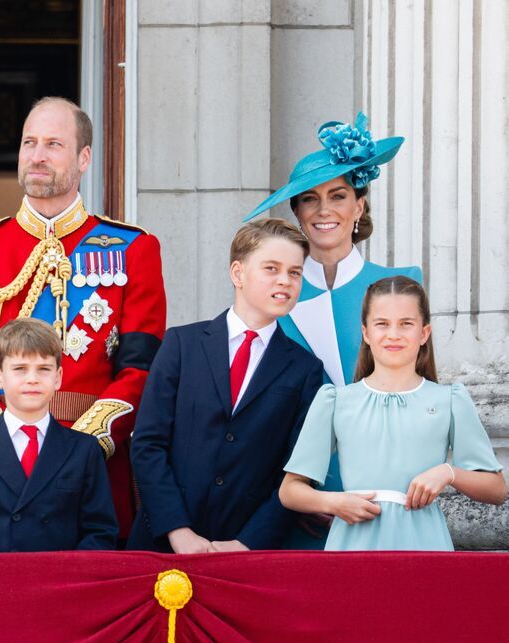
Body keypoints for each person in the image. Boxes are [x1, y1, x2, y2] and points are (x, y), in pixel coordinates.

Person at [0, 97, 166, 541]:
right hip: (2, 471)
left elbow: (141, 369)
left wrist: (81, 449)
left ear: (84, 158)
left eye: (54, 144)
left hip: (96, 463)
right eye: (30, 143)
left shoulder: (133, 248)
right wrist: (7, 443)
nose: (37, 155)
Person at [245, 111, 422, 546]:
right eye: (310, 199)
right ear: (297, 211)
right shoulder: (271, 296)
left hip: (386, 496)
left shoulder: (400, 284)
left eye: (338, 196)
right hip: (290, 498)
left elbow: (420, 392)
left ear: (358, 206)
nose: (324, 210)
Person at [127, 218, 324, 553]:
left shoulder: (305, 370)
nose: (285, 280)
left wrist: (247, 543)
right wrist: (178, 531)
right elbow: (148, 445)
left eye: (295, 272)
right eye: (271, 268)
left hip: (247, 549)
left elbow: (295, 473)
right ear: (238, 273)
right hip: (162, 543)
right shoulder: (181, 345)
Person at [279, 276, 507, 550]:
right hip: (353, 548)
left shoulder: (449, 400)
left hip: (425, 547)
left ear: (424, 333)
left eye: (406, 324)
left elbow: (497, 489)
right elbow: (290, 490)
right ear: (366, 333)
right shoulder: (336, 401)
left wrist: (448, 473)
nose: (394, 334)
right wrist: (335, 502)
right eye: (382, 324)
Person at [0, 318, 119, 552]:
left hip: (62, 574)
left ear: (58, 377)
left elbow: (100, 532)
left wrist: (68, 572)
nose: (32, 379)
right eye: (20, 369)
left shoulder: (84, 449)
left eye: (44, 369)